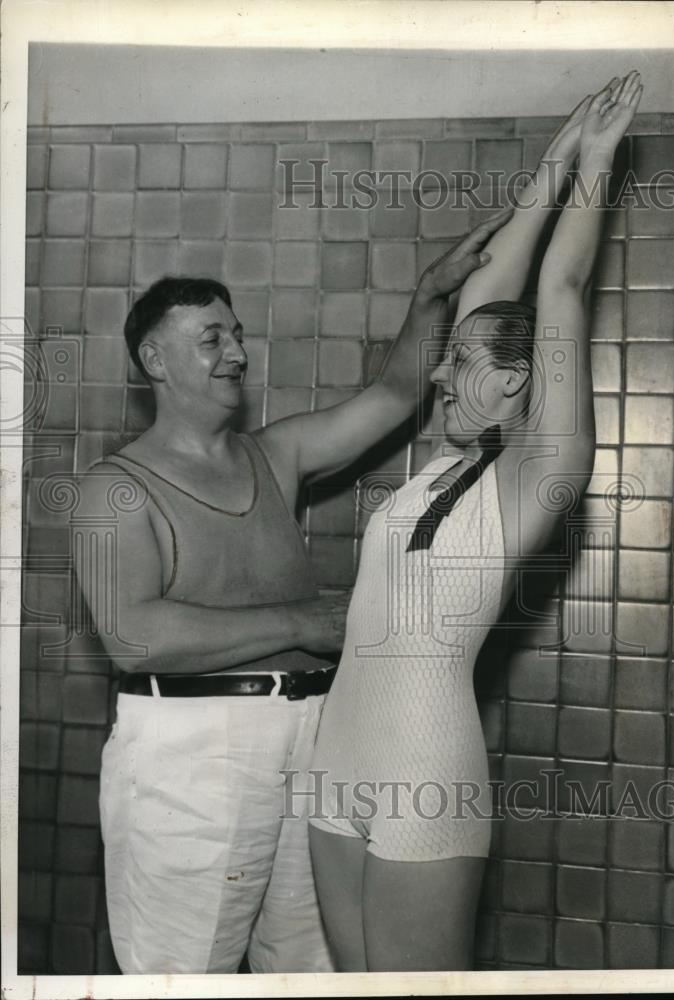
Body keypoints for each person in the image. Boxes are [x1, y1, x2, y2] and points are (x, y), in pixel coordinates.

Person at [73, 207, 514, 972]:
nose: (237, 351)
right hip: (191, 752)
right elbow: (133, 636)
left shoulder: (276, 454)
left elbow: (393, 395)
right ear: (155, 358)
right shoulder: (114, 489)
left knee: (312, 969)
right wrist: (303, 620)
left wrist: (429, 296)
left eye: (238, 334)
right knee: (185, 975)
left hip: (315, 738)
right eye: (211, 337)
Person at [308, 72, 643, 971]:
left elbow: (560, 287)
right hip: (336, 761)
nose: (442, 376)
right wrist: (550, 158)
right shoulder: (443, 466)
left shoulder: (538, 478)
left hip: (425, 775)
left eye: (460, 363)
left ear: (515, 381)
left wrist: (597, 164)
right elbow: (490, 286)